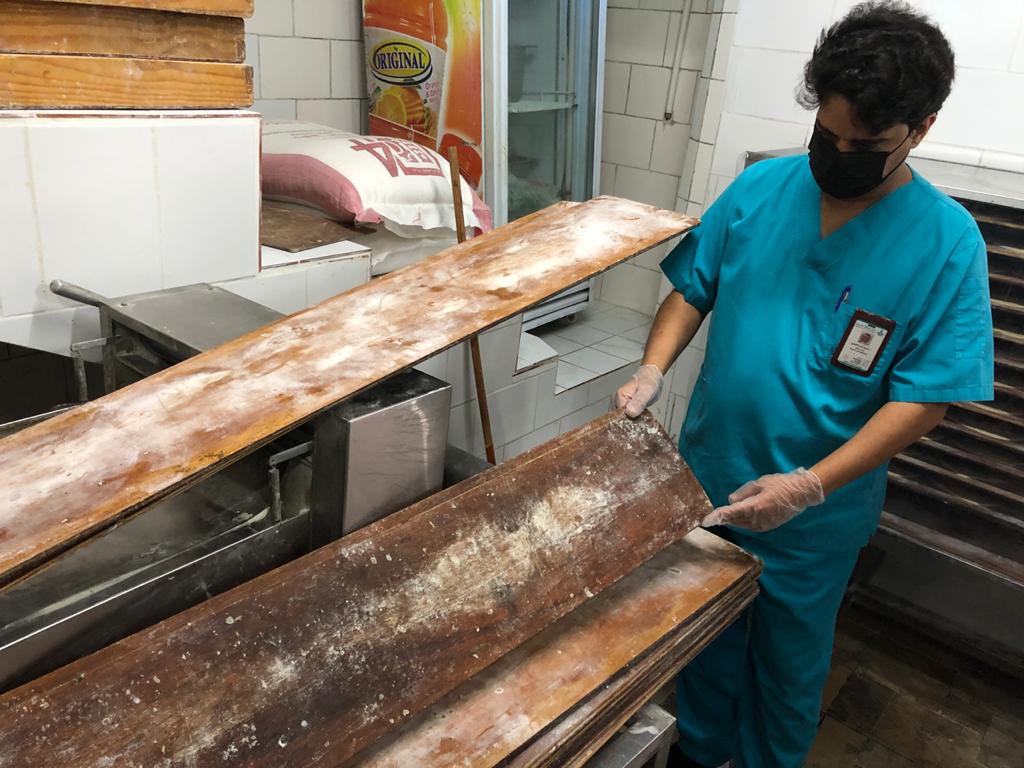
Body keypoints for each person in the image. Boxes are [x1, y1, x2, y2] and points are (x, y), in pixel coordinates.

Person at [615, 3, 994, 767]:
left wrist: (808, 486)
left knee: (787, 666)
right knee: (705, 639)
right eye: (828, 135)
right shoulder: (761, 190)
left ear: (920, 129)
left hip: (815, 514)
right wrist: (653, 366)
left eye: (866, 147)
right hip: (712, 474)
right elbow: (693, 288)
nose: (839, 155)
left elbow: (926, 396)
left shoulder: (947, 242)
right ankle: (701, 751)